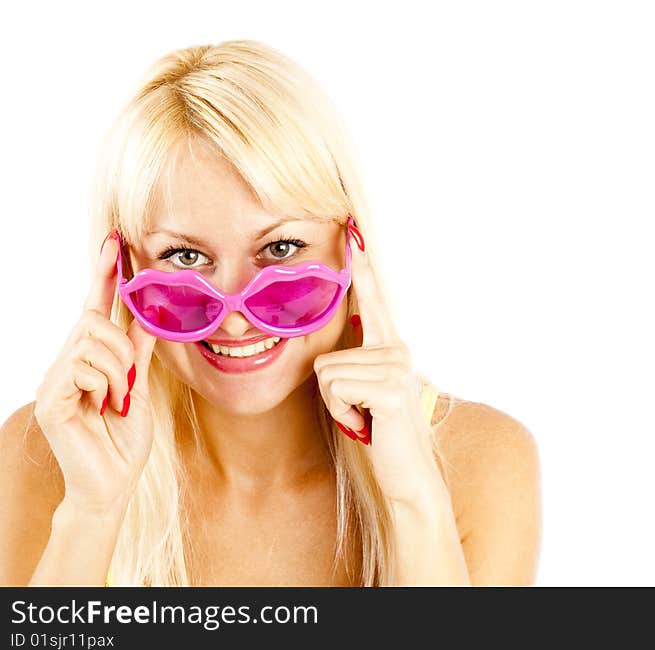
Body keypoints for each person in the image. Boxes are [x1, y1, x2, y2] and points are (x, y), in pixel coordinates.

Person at [0, 40, 541, 586]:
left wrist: (415, 501)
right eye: (184, 257)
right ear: (122, 267)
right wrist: (92, 512)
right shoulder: (46, 457)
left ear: (352, 245)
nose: (235, 316)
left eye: (281, 249)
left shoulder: (481, 463)